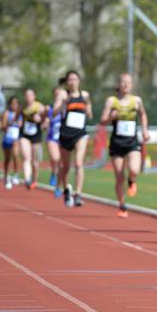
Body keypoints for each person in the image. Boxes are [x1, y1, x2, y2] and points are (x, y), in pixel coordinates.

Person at [100, 73, 150, 218]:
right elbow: (102, 121)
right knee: (119, 177)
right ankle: (122, 206)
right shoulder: (112, 101)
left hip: (132, 141)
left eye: (128, 82)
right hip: (117, 143)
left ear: (132, 85)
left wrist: (145, 130)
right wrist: (111, 116)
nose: (126, 85)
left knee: (134, 168)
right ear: (118, 85)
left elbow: (143, 115)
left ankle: (132, 180)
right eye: (123, 82)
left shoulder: (136, 101)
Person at [54, 70, 92, 208]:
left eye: (75, 79)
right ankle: (66, 190)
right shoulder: (63, 94)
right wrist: (63, 103)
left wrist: (87, 110)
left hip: (80, 133)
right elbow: (54, 113)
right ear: (67, 82)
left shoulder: (85, 95)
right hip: (65, 134)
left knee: (78, 163)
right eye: (70, 80)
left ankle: (78, 194)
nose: (72, 82)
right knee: (65, 167)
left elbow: (90, 114)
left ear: (79, 81)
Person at [19, 89, 46, 189]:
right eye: (26, 95)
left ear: (34, 96)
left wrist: (42, 120)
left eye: (30, 95)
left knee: (35, 160)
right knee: (26, 157)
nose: (28, 97)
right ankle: (27, 179)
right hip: (24, 134)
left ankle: (35, 178)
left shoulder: (39, 107)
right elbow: (17, 118)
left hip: (36, 135)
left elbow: (46, 119)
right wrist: (17, 122)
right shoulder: (22, 107)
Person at [0, 96, 23, 189]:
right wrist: (10, 122)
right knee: (7, 158)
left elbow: (21, 125)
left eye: (16, 104)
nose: (14, 105)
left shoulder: (20, 114)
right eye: (12, 103)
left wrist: (19, 122)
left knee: (16, 155)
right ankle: (6, 175)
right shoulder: (7, 113)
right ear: (9, 104)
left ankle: (16, 174)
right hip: (7, 138)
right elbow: (3, 126)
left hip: (16, 138)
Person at [45, 87, 63, 188]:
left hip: (64, 138)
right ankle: (54, 173)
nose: (58, 96)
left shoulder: (65, 108)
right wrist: (45, 122)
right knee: (55, 158)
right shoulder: (50, 108)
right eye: (56, 94)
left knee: (62, 162)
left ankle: (59, 181)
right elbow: (46, 118)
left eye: (60, 94)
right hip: (52, 137)